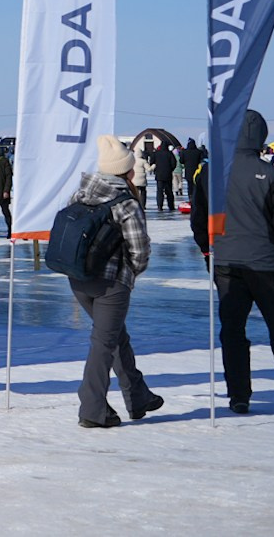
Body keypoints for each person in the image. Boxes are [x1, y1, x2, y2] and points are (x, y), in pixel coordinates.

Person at [191, 110, 274, 413]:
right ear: (261, 137)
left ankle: (238, 394)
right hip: (265, 265)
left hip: (227, 264)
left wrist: (208, 253)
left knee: (232, 331)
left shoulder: (210, 174)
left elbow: (198, 221)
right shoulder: (270, 174)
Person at [64, 136, 160, 427]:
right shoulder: (126, 203)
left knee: (115, 335)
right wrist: (129, 275)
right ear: (125, 170)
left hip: (79, 279)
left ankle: (138, 395)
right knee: (103, 343)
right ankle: (92, 410)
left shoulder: (81, 193)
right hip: (111, 284)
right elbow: (140, 248)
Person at [152, 140, 178, 214]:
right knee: (169, 192)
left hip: (159, 175)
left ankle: (160, 206)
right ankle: (171, 206)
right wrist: (170, 169)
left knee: (160, 192)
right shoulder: (170, 154)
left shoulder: (156, 153)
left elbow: (151, 161)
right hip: (168, 175)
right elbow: (174, 164)